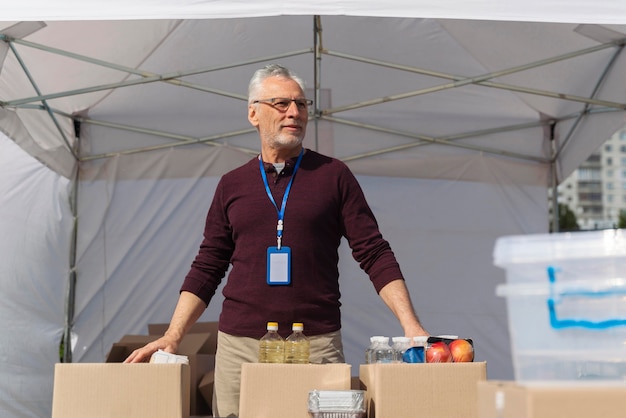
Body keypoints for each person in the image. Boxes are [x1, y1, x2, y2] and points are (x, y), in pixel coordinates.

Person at [125, 64, 429, 417]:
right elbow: (208, 265)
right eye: (281, 104)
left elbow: (374, 252)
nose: (295, 113)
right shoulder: (232, 185)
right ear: (253, 113)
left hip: (316, 344)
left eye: (301, 104)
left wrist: (411, 326)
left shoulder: (334, 176)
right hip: (241, 346)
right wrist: (174, 335)